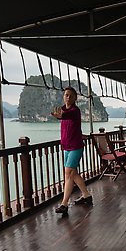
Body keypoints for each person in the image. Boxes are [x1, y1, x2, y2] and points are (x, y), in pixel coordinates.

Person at [51, 86, 92, 214]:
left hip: (76, 147)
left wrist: (59, 117)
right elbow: (63, 115)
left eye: (70, 95)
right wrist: (59, 116)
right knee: (72, 174)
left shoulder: (75, 111)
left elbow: (65, 116)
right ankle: (86, 195)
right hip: (66, 147)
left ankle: (64, 204)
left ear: (75, 98)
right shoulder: (63, 109)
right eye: (66, 95)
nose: (67, 97)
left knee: (68, 174)